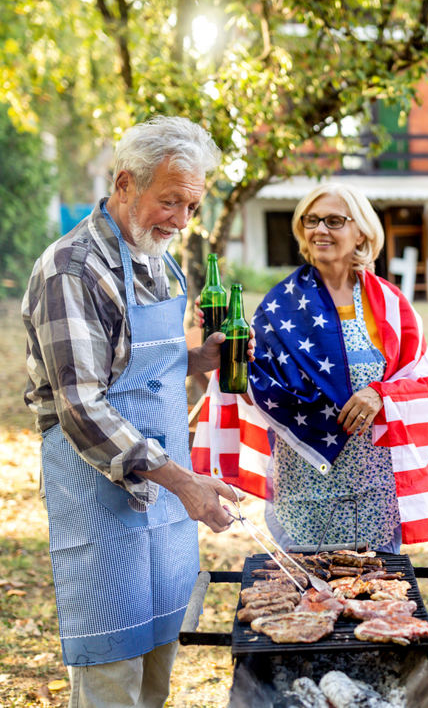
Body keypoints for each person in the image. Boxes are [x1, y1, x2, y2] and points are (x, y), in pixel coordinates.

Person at [22, 116, 255, 708]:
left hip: (169, 499)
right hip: (102, 498)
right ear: (125, 184)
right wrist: (183, 483)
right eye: (169, 201)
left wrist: (197, 360)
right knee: (111, 670)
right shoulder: (72, 268)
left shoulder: (156, 259)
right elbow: (81, 406)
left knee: (158, 657)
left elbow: (145, 374)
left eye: (191, 206)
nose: (180, 221)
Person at [192, 183, 428, 553]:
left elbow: (424, 383)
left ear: (361, 231)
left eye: (334, 220)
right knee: (308, 606)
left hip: (374, 493)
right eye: (311, 220)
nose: (320, 230)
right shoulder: (279, 307)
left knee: (375, 599)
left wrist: (380, 393)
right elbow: (251, 386)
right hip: (302, 494)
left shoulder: (390, 305)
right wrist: (222, 344)